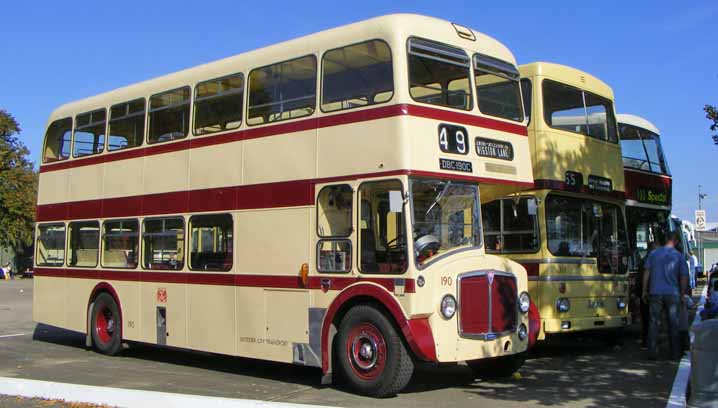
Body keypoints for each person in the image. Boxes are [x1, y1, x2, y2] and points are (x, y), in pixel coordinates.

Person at [642, 232, 689, 360]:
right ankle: (674, 353)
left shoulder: (653, 254)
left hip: (655, 292)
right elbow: (684, 277)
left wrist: (644, 291)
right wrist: (682, 294)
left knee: (654, 322)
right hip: (672, 293)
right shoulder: (679, 256)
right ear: (676, 241)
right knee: (673, 323)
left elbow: (647, 273)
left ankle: (652, 352)